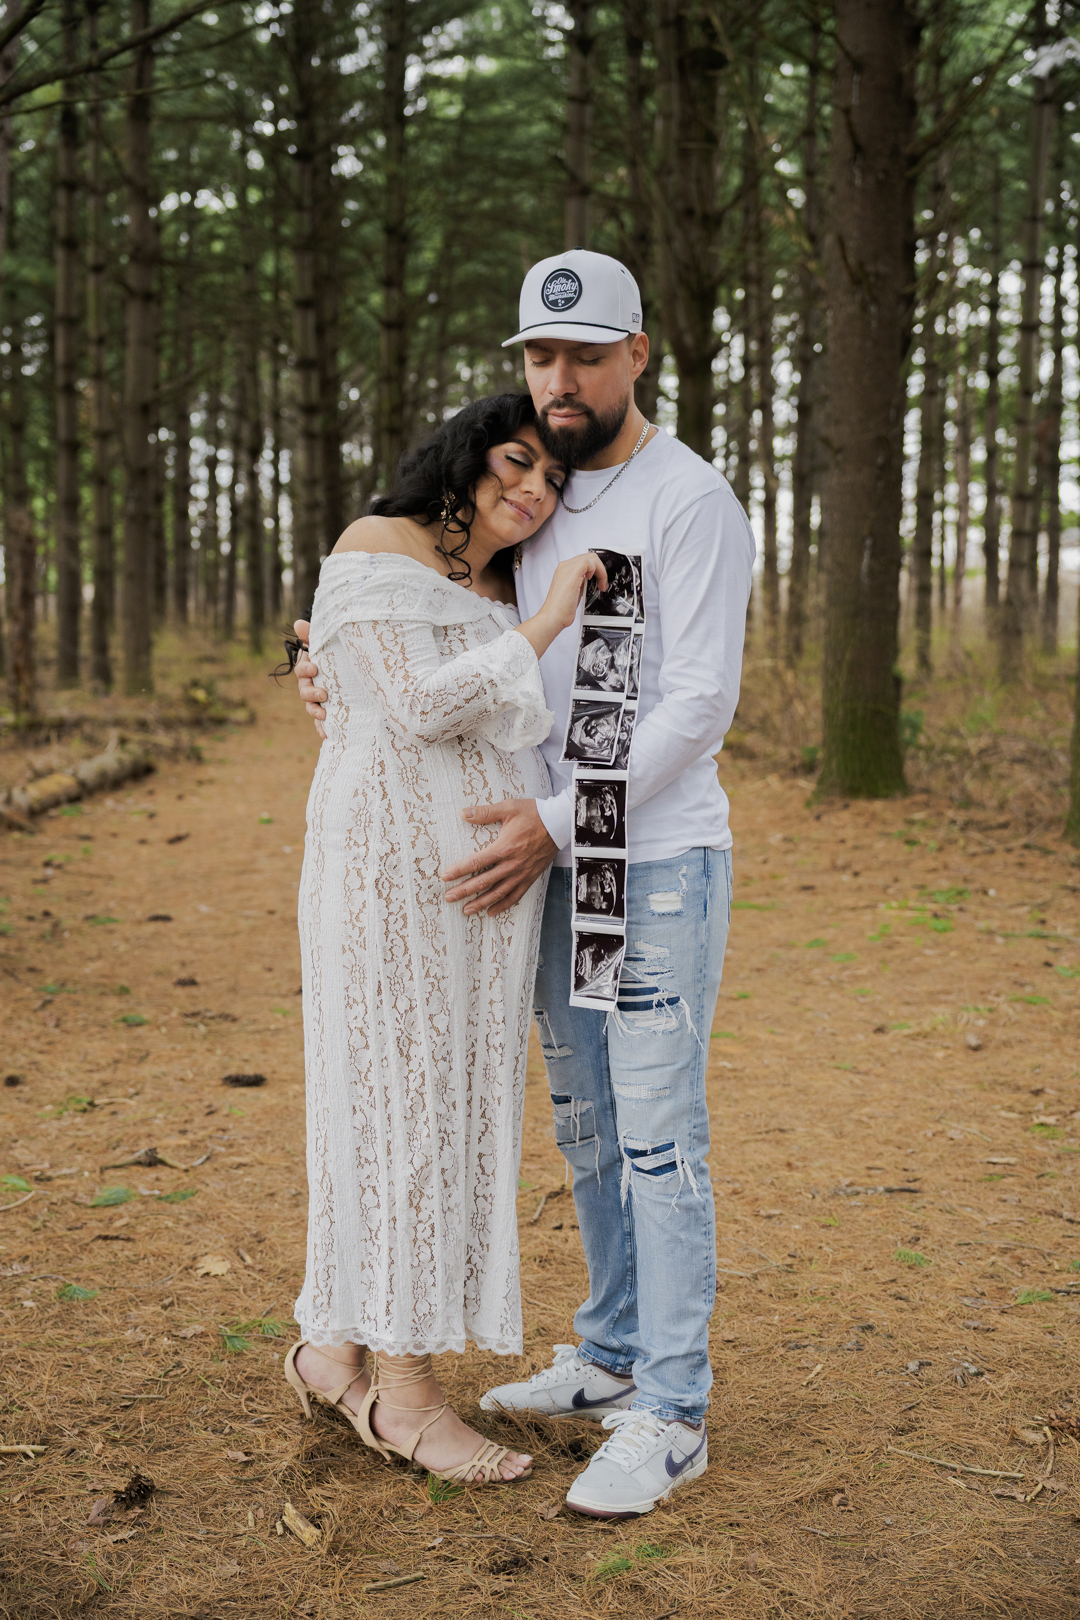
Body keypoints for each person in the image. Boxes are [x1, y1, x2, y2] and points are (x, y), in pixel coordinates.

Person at [295, 249, 754, 1519]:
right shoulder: (534, 503)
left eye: (587, 355)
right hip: (552, 874)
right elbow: (426, 618)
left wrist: (556, 822)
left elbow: (698, 706)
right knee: (591, 1127)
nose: (562, 379)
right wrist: (318, 657)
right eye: (542, 356)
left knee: (657, 1137)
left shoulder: (689, 500)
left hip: (647, 866)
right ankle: (611, 1353)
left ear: (638, 356)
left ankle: (673, 1408)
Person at [283, 390, 607, 1487]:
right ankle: (408, 1398)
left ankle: (335, 1350)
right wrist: (545, 620)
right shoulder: (378, 543)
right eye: (516, 461)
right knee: (398, 1110)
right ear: (467, 457)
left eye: (553, 480)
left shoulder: (499, 580)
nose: (533, 490)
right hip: (388, 880)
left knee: (445, 1110)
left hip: (482, 897)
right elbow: (417, 708)